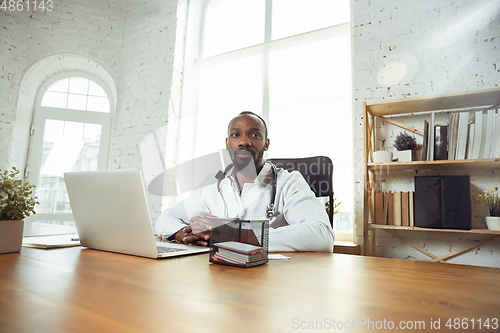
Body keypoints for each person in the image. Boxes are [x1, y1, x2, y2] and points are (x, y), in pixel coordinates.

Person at [155, 111, 334, 252]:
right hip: (219, 275)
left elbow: (322, 235)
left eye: (254, 135)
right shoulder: (211, 184)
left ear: (266, 144)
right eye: (236, 135)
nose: (243, 142)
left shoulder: (289, 182)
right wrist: (183, 234)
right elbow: (166, 218)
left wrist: (233, 234)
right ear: (227, 143)